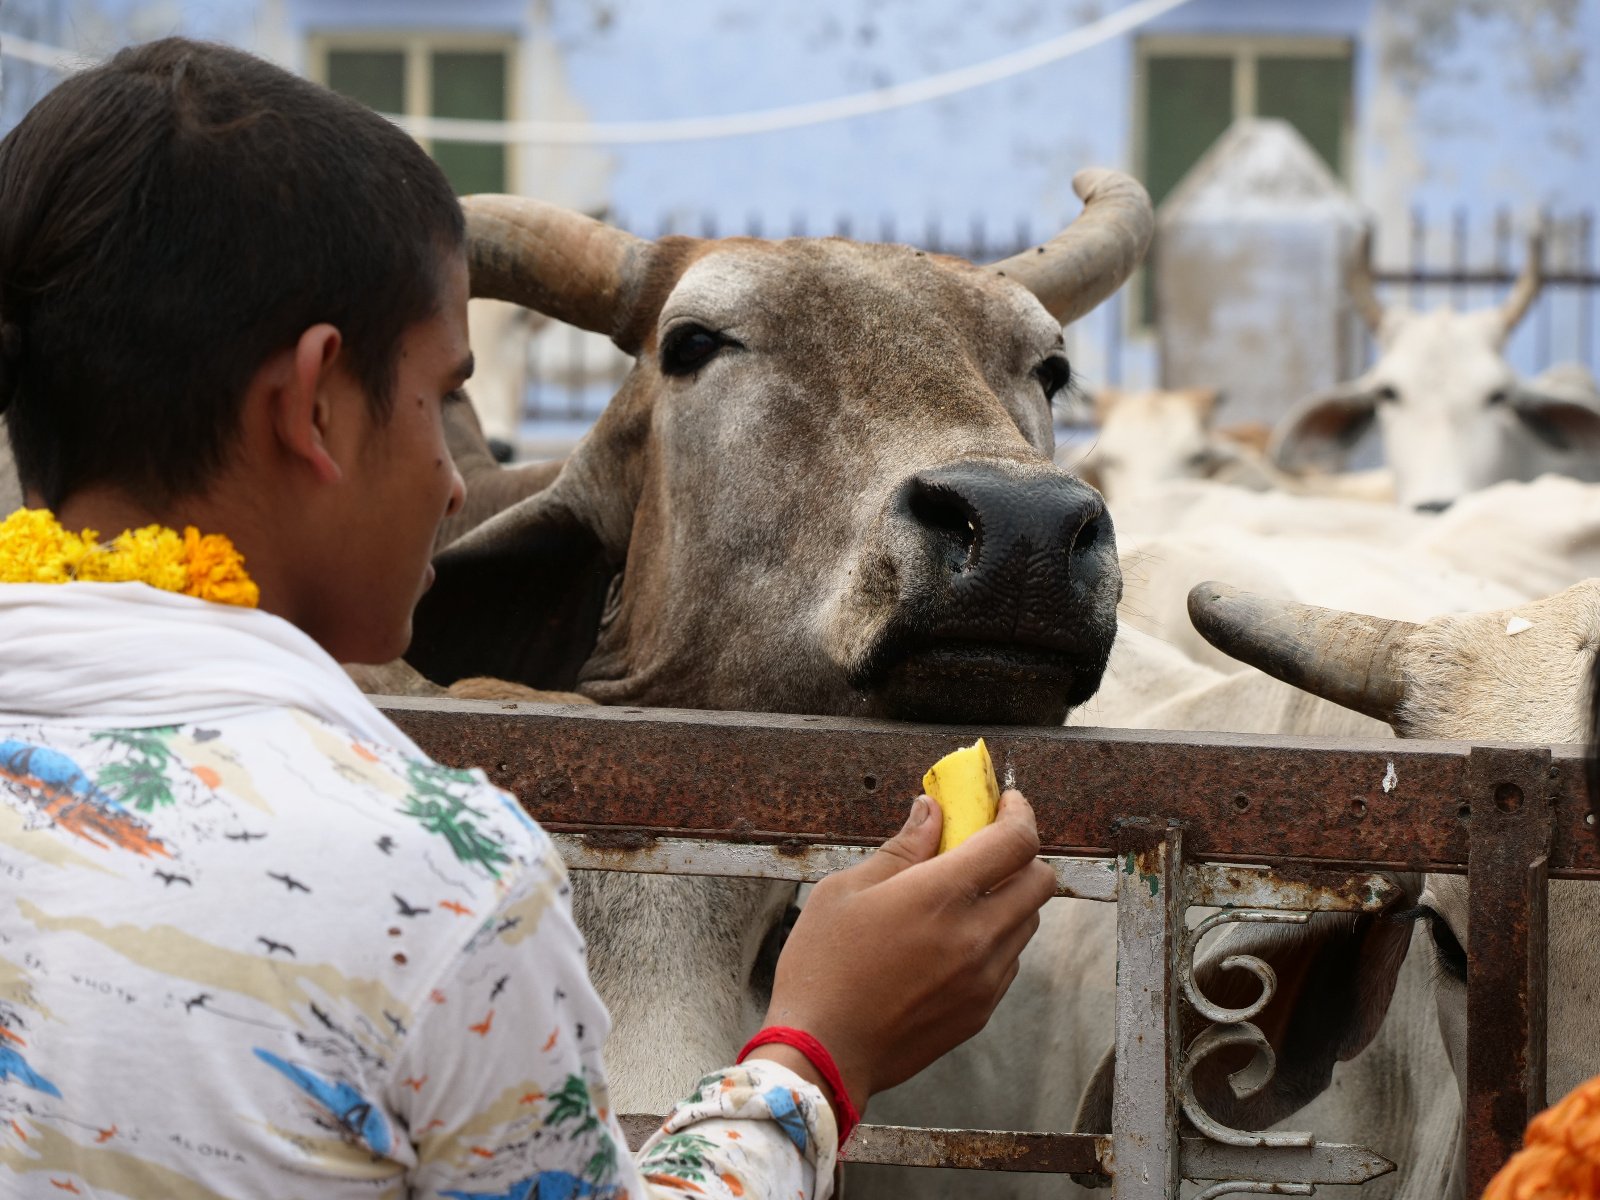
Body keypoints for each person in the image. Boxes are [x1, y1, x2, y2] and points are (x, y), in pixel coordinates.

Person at [0, 38, 1056, 1200]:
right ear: (312, 406)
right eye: (443, 394)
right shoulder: (431, 875)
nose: (465, 483)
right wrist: (816, 1056)